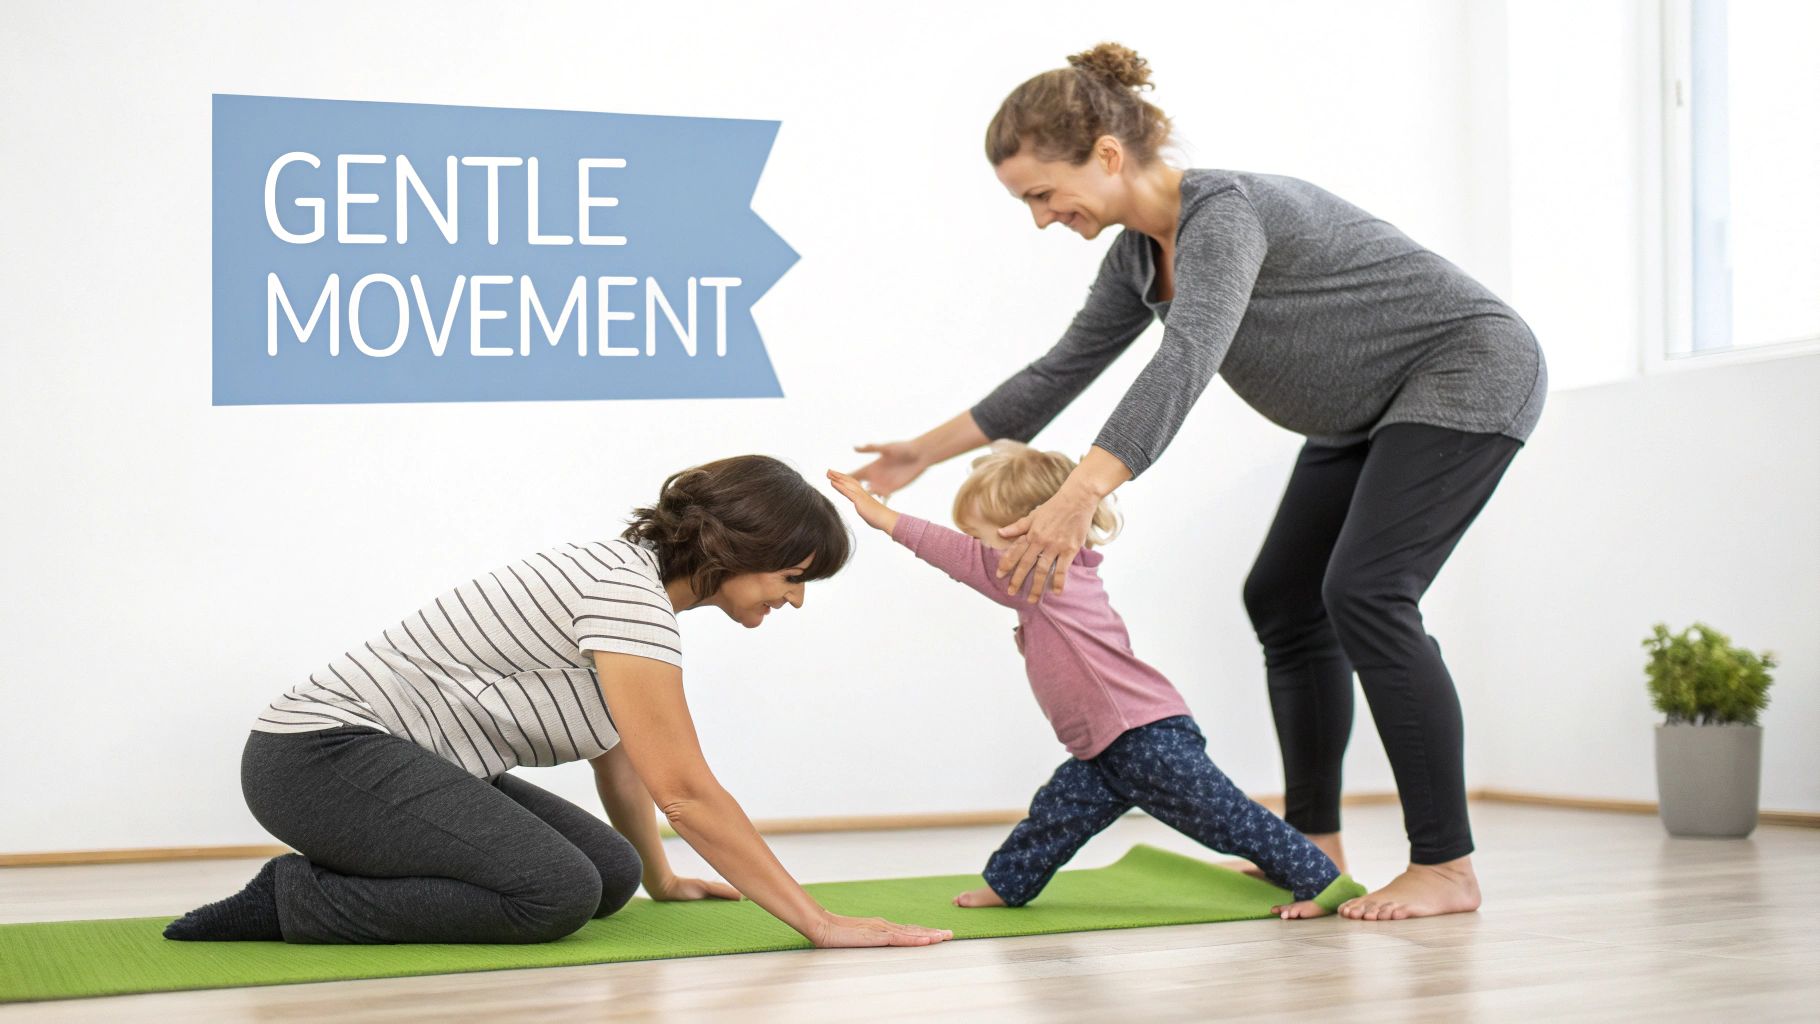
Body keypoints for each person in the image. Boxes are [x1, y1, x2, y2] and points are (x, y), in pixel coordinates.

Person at [852, 43, 1545, 921]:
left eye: (1042, 194)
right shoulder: (1138, 259)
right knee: (1285, 599)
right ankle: (1315, 842)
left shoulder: (1226, 213)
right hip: (1361, 415)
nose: (1041, 219)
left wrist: (1079, 493)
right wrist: (922, 452)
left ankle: (1445, 864)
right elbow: (1060, 371)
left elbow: (1187, 357)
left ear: (1108, 154)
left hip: (1464, 371)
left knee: (1367, 592)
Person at [164, 455, 953, 948]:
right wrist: (817, 922)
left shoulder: (634, 591)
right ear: (740, 550)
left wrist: (658, 878)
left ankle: (344, 877)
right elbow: (684, 790)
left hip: (385, 761)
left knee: (608, 873)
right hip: (317, 757)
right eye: (793, 578)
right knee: (555, 894)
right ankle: (293, 900)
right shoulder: (626, 597)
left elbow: (626, 764)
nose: (797, 600)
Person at [828, 446, 1365, 918]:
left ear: (1033, 533)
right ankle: (1007, 885)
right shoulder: (1055, 581)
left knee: (1224, 818)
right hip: (1105, 747)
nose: (980, 551)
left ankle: (1323, 882)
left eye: (982, 538)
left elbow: (961, 559)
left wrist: (885, 518)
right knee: (1056, 816)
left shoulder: (1042, 576)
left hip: (1144, 736)